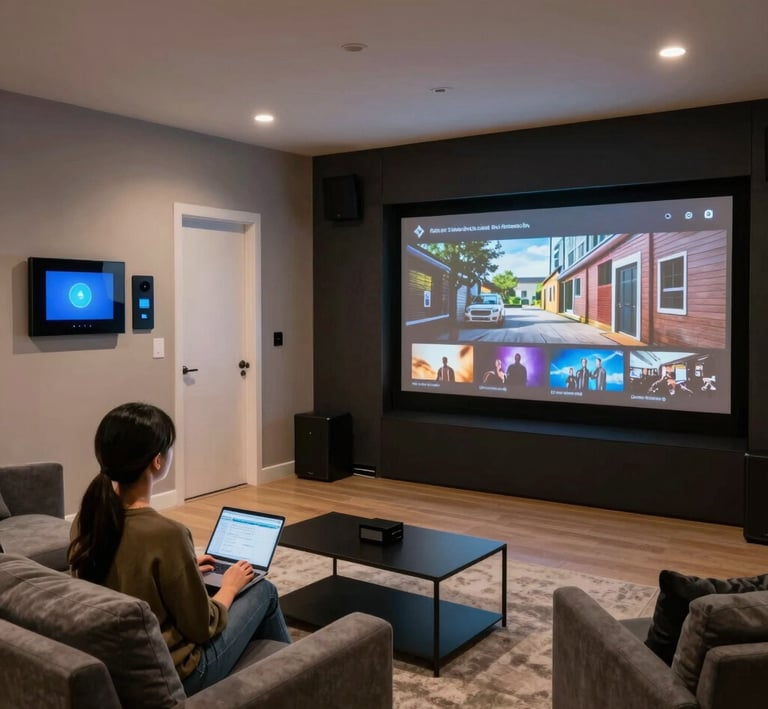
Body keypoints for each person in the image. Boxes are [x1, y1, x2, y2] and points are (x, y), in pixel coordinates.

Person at [68, 402, 291, 695]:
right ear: (157, 461)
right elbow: (202, 627)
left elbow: (128, 577)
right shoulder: (167, 534)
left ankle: (265, 676)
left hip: (119, 668)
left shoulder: (86, 519)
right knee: (263, 591)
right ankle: (298, 674)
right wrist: (229, 587)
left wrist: (183, 567)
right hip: (180, 674)